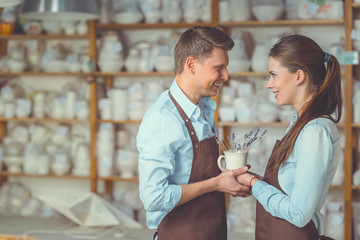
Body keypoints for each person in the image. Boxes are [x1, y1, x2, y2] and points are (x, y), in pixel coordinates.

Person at [136, 26, 250, 240]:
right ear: (191, 65)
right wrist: (216, 183)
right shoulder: (163, 119)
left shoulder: (204, 107)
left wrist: (230, 178)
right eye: (219, 68)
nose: (225, 76)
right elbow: (154, 197)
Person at [236, 34, 342, 240]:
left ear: (299, 76)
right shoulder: (299, 124)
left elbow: (298, 213)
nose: (269, 84)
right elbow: (288, 187)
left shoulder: (315, 131)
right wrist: (252, 180)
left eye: (274, 74)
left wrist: (254, 184)